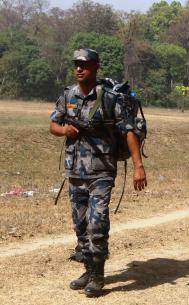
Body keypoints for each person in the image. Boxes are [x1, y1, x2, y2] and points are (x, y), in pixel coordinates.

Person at [49, 48, 147, 297]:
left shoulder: (109, 98)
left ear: (96, 67)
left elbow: (128, 132)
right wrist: (65, 131)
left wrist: (138, 166)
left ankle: (98, 276)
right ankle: (87, 269)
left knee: (97, 224)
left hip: (101, 171)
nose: (79, 68)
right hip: (74, 171)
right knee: (80, 225)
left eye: (85, 64)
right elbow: (53, 124)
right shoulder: (68, 95)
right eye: (76, 64)